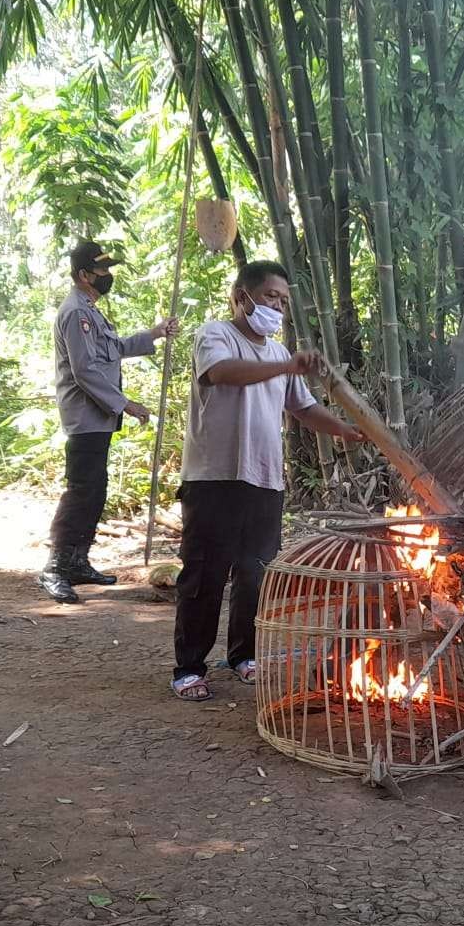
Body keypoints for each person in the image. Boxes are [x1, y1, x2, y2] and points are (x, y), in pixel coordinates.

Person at [172, 261, 364, 702]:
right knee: (204, 574)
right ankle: (188, 668)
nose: (277, 306)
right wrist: (287, 366)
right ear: (242, 297)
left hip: (264, 480)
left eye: (283, 300)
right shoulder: (216, 334)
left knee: (255, 574)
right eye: (270, 297)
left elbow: (303, 408)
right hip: (215, 477)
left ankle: (244, 656)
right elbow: (222, 373)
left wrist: (344, 430)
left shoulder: (280, 355)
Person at [41, 240, 177, 604]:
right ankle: (56, 566)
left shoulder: (90, 311)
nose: (107, 276)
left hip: (97, 418)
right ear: (83, 275)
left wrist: (154, 334)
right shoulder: (75, 313)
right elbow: (85, 370)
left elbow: (113, 348)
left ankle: (77, 560)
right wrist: (125, 404)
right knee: (82, 490)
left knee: (94, 489)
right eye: (101, 271)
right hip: (84, 417)